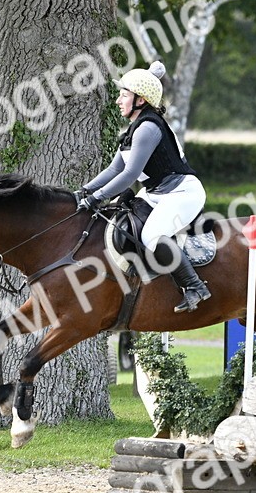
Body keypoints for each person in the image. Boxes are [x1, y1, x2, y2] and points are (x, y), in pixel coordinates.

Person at [75, 61, 210, 313]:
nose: (118, 101)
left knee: (151, 236)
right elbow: (114, 169)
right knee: (116, 217)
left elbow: (130, 174)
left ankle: (195, 286)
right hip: (155, 193)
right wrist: (84, 191)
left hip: (181, 193)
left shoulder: (148, 128)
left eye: (124, 96)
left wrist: (96, 198)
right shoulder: (134, 129)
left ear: (140, 100)